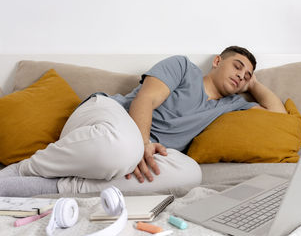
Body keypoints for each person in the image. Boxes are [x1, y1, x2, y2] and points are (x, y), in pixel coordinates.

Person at [0, 46, 286, 197]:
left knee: (191, 175)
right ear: (217, 61)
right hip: (108, 117)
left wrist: (255, 84)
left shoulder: (232, 104)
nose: (241, 75)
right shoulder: (182, 67)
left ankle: (61, 188)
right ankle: (25, 170)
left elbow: (278, 117)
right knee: (123, 149)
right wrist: (143, 143)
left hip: (141, 151)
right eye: (237, 66)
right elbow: (145, 100)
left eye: (247, 75)